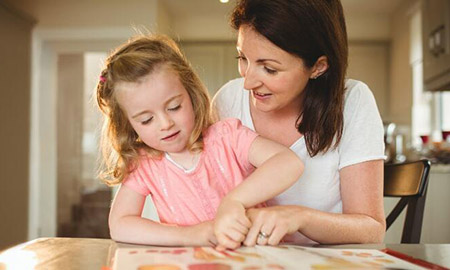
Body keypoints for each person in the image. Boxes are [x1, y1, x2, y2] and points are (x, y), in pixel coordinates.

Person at [96, 34, 304, 250]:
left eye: (174, 107)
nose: (165, 123)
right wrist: (189, 235)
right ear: (129, 125)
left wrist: (233, 202)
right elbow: (120, 224)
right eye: (147, 120)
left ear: (191, 94)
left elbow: (289, 163)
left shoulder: (227, 137)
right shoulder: (144, 164)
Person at [213, 0, 386, 246]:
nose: (248, 83)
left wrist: (300, 217)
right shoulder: (227, 101)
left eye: (269, 69)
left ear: (318, 67)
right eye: (242, 58)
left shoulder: (353, 102)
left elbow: (372, 230)